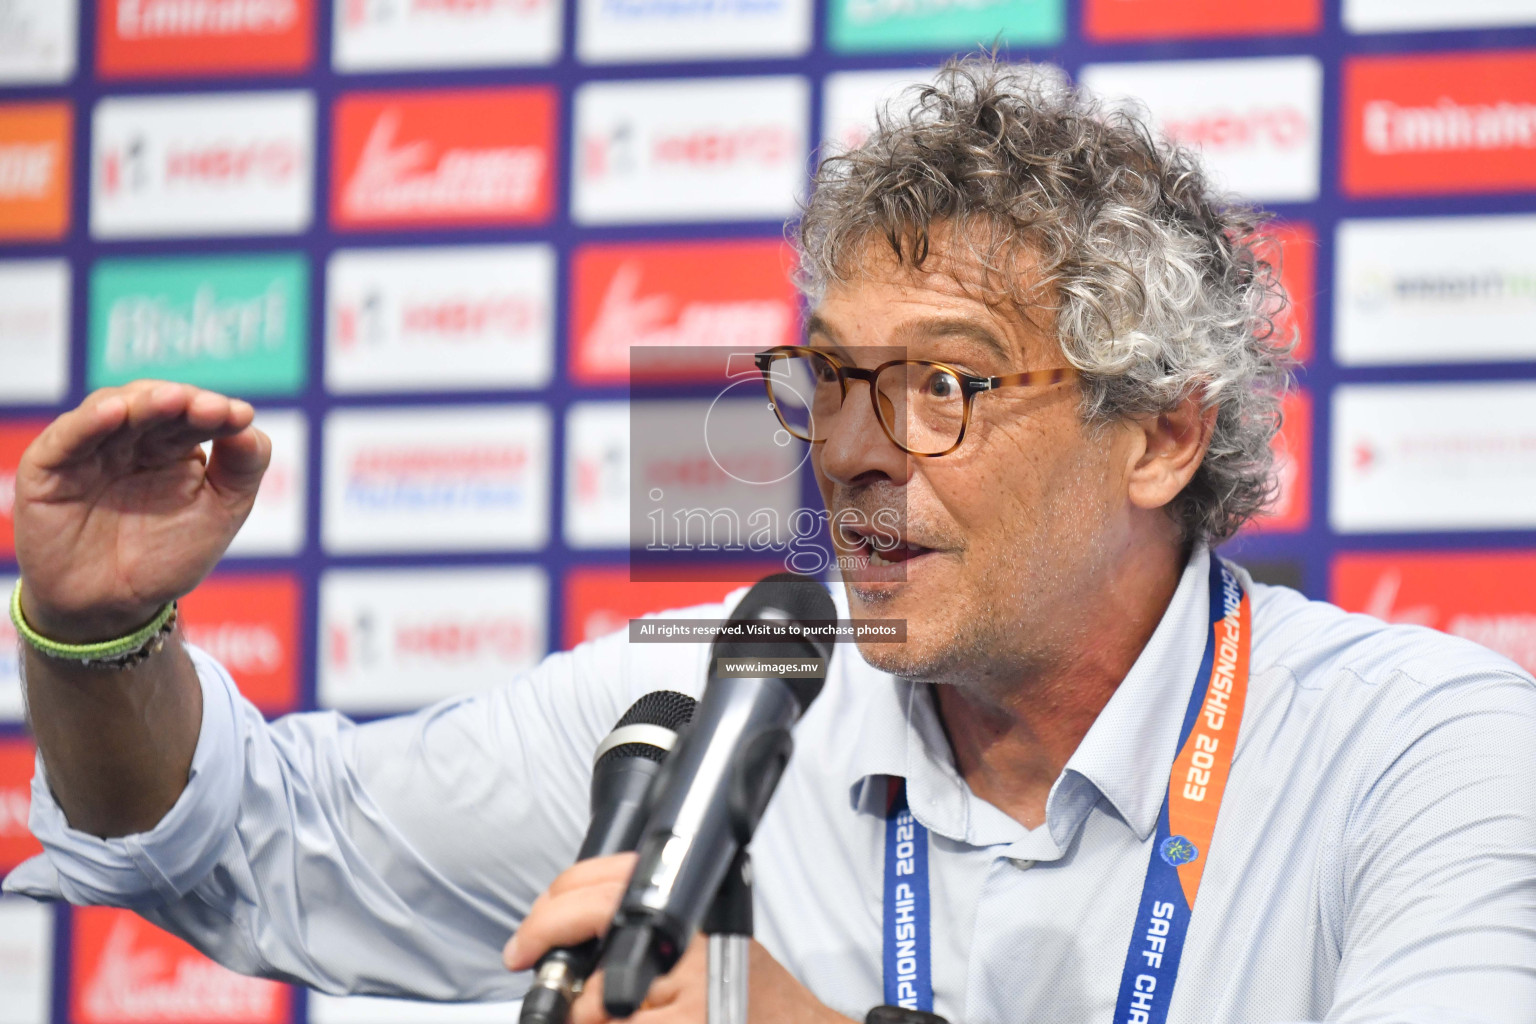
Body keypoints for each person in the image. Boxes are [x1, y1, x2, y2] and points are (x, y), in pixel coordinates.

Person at [7, 56, 1536, 1024]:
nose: (856, 456)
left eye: (946, 384)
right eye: (833, 381)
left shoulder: (1429, 759)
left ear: (1162, 434)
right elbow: (260, 841)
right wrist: (94, 637)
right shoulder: (713, 709)